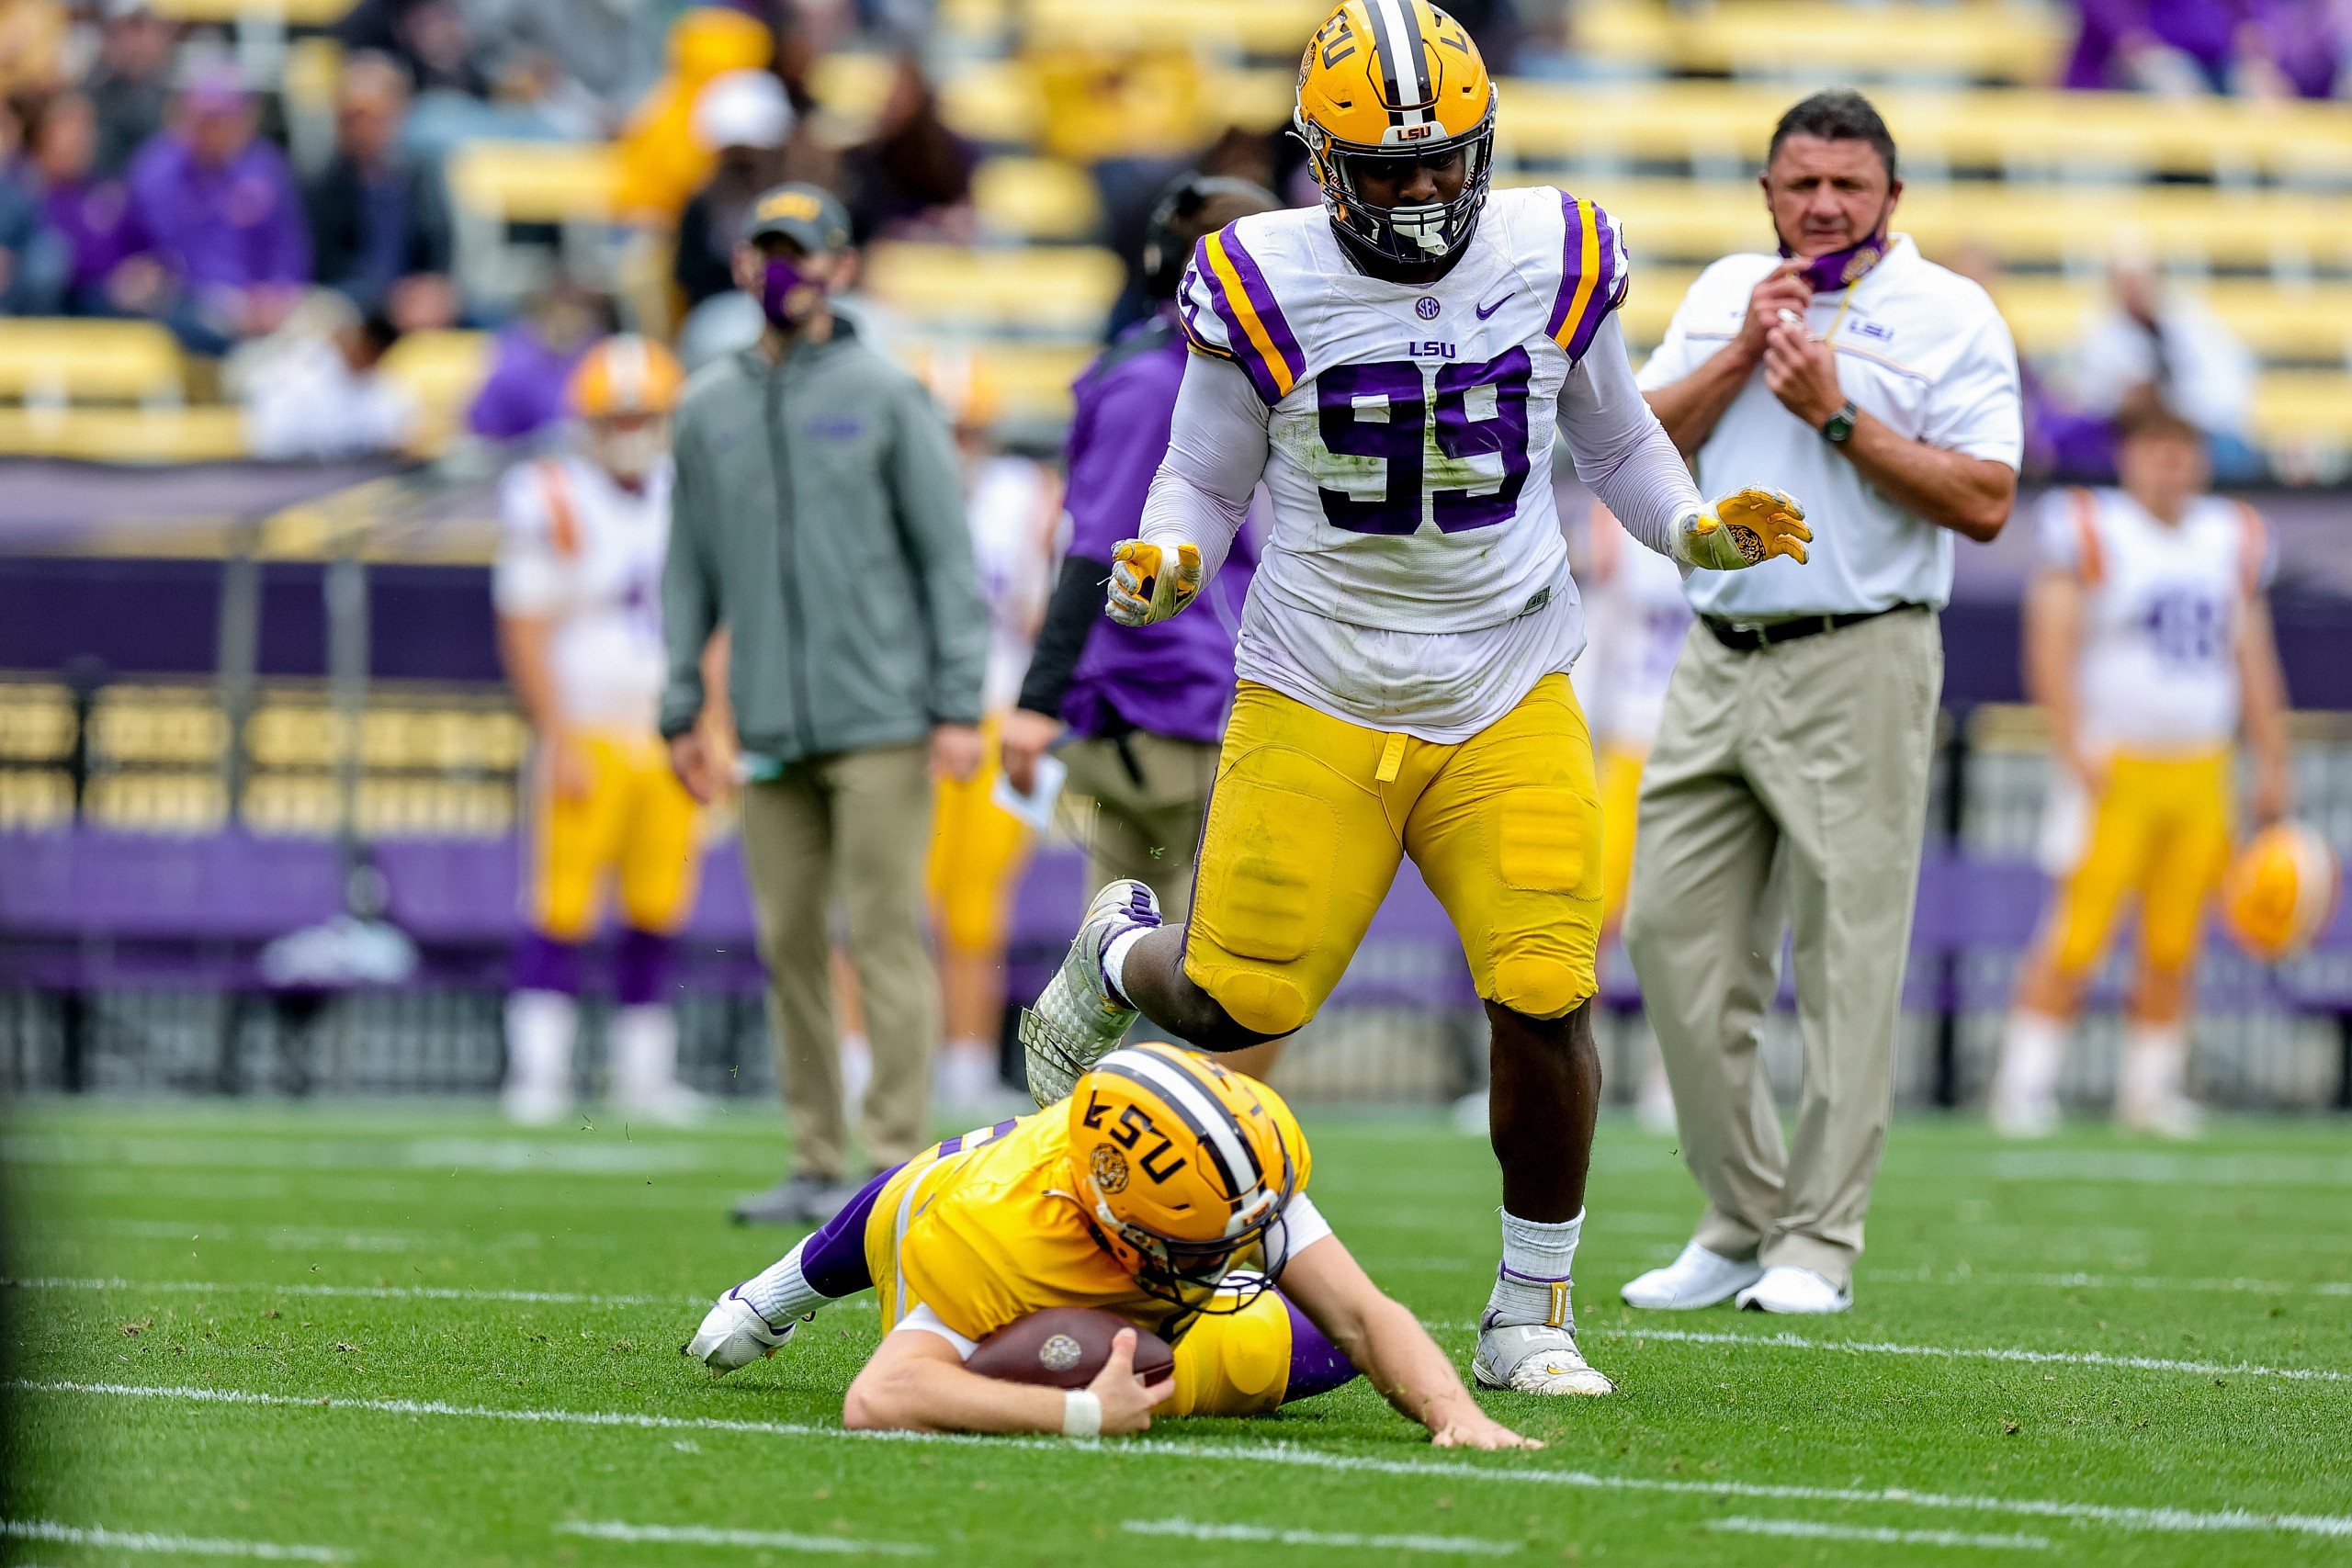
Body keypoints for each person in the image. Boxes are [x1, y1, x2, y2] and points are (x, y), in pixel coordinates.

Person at [1018, 0, 1811, 1398]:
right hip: (1318, 679)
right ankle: (1118, 950)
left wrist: (1691, 532)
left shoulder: (1557, 248)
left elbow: (1613, 431)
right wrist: (1170, 558)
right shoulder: (1255, 274)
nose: (1423, 189)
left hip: (1507, 673)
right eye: (1387, 169)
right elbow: (1202, 473)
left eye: (1445, 161)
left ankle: (1528, 1309)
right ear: (1321, 162)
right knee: (1228, 997)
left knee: (1549, 990)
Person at [1621, 89, 2020, 1317]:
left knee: (1847, 958)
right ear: (1768, 194)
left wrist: (1835, 412)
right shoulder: (1725, 295)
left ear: (1892, 196)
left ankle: (1819, 1241)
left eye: (1851, 185)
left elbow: (1987, 496)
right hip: (1718, 644)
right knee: (1666, 934)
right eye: (1804, 185)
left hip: (1863, 648)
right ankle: (1741, 1216)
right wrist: (1743, 352)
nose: (1826, 205)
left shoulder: (1950, 313)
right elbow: (1628, 445)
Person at [686, 1042, 1537, 1450]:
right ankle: (774, 1293)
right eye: (1203, 1245)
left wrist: (1453, 1411)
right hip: (966, 1215)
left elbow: (1361, 1313)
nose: (1237, 1255)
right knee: (916, 1188)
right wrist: (1082, 1411)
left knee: (1331, 1351)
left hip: (1097, 1242)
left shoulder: (1232, 1171)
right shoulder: (993, 1232)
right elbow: (878, 1398)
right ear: (1118, 1225)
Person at [659, 182, 989, 1225]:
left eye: (801, 250)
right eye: (766, 251)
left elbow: (948, 563)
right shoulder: (705, 407)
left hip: (882, 718)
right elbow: (686, 572)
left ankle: (893, 1158)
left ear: (842, 266)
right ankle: (812, 1155)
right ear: (745, 266)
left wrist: (954, 701)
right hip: (764, 723)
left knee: (886, 933)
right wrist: (679, 705)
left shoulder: (889, 396)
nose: (784, 269)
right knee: (788, 938)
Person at [1001, 171, 1278, 1080]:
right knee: (1159, 953)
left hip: (1205, 687)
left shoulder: (1175, 370)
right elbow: (1098, 550)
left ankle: (1179, 1147)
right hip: (1167, 698)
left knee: (1152, 950)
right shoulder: (1159, 383)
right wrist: (1040, 699)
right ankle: (1155, 1152)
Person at [1988, 400, 2290, 1140]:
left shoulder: (2232, 535)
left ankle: (2149, 1090)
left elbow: (2251, 654)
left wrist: (2271, 756)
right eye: (2156, 447)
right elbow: (2050, 639)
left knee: (2175, 939)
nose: (2170, 462)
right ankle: (2023, 1086)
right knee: (2076, 933)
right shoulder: (2092, 525)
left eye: (2182, 448)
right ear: (2129, 456)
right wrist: (2069, 740)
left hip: (2201, 766)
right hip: (2114, 762)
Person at [494, 334, 710, 1128]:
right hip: (584, 728)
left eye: (644, 414)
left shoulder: (690, 492)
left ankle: (642, 1076)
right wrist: (554, 736)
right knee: (561, 907)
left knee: (658, 908)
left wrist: (710, 724)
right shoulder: (549, 490)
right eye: (618, 415)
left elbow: (715, 623)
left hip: (666, 732)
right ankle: (539, 1073)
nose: (631, 428)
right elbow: (523, 624)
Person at [921, 354, 1058, 1113]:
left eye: (969, 432)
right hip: (908, 722)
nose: (957, 447)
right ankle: (858, 1061)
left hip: (1003, 720)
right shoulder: (884, 494)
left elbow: (1046, 616)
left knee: (979, 907)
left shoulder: (1025, 498)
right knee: (882, 906)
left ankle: (967, 1065)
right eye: (945, 432)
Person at [1569, 501, 1691, 1133]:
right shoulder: (1625, 514)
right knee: (1583, 916)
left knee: (1686, 921)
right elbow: (1600, 625)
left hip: (1702, 742)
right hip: (1629, 740)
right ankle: (1550, 1070)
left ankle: (1671, 1080)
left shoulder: (1743, 492)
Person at [126, 71, 310, 352]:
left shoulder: (265, 168)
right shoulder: (155, 173)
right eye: (203, 119)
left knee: (330, 319)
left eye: (221, 119)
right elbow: (157, 253)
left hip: (264, 303)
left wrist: (276, 293)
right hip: (195, 302)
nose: (211, 130)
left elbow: (288, 248)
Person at [2071, 243, 2260, 482]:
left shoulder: (2191, 322)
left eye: (2140, 280)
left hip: (2195, 430)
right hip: (2128, 433)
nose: (2134, 290)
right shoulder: (2099, 331)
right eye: (2127, 281)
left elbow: (2226, 390)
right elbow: (2095, 398)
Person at [302, 52, 457, 333]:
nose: (364, 127)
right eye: (353, 117)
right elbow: (326, 268)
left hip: (416, 302)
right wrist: (388, 299)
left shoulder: (420, 176)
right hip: (353, 308)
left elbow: (439, 251)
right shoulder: (319, 184)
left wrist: (431, 290)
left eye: (375, 115)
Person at [243, 299, 415, 460]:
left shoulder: (380, 380)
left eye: (376, 355)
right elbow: (270, 440)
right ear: (355, 335)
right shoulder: (300, 369)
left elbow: (397, 434)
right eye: (367, 348)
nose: (369, 359)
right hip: (291, 472)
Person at [468, 277, 608, 445]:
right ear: (546, 311)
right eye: (563, 311)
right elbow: (487, 426)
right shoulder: (513, 355)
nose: (570, 321)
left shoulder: (598, 352)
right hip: (518, 454)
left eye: (580, 312)